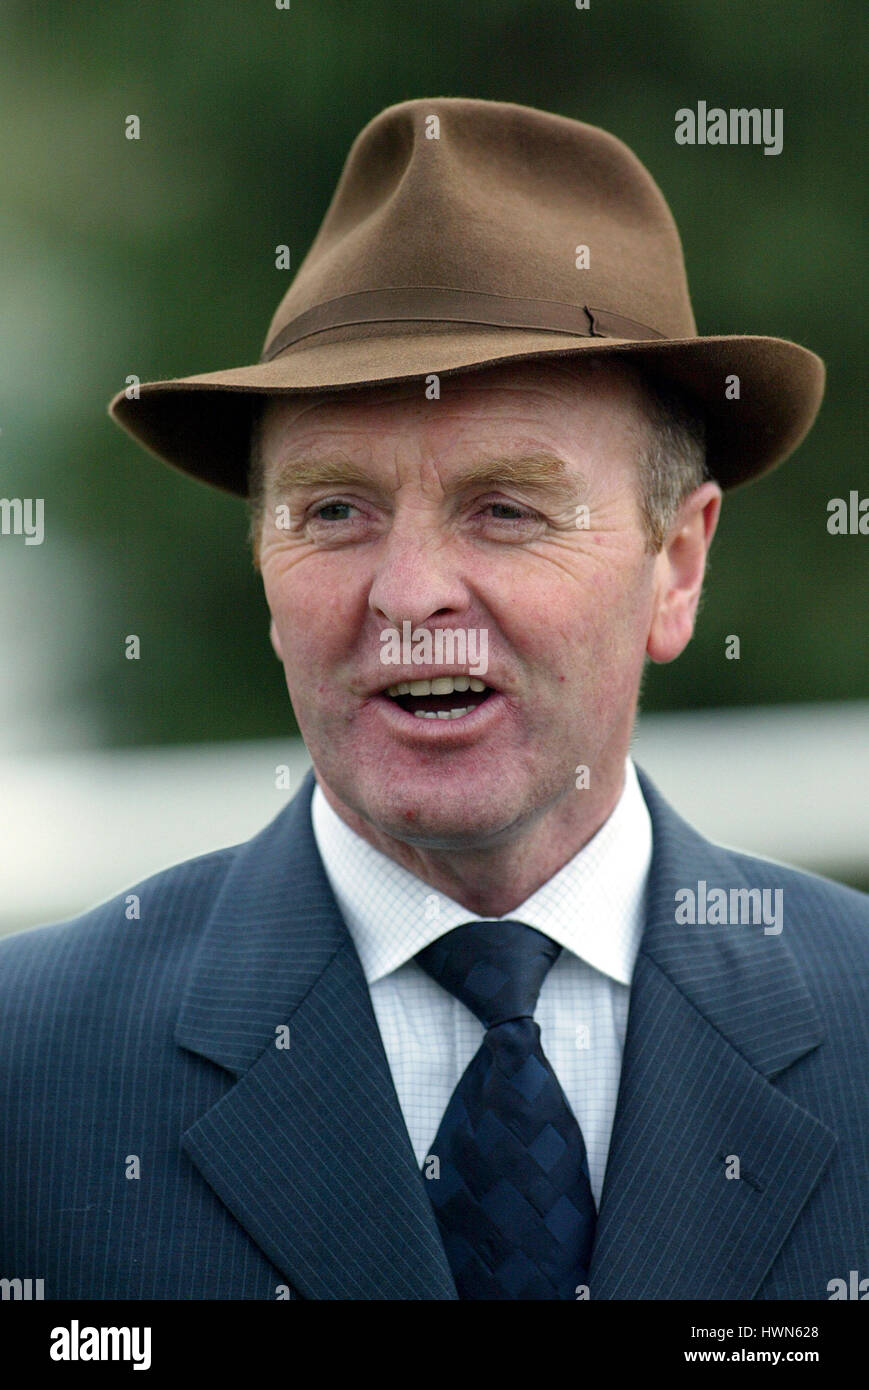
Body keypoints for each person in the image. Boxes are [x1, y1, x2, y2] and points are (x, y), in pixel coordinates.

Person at [1, 98, 866, 1301]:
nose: (406, 596)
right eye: (332, 511)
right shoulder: (29, 1071)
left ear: (676, 563)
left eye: (505, 509)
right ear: (261, 561)